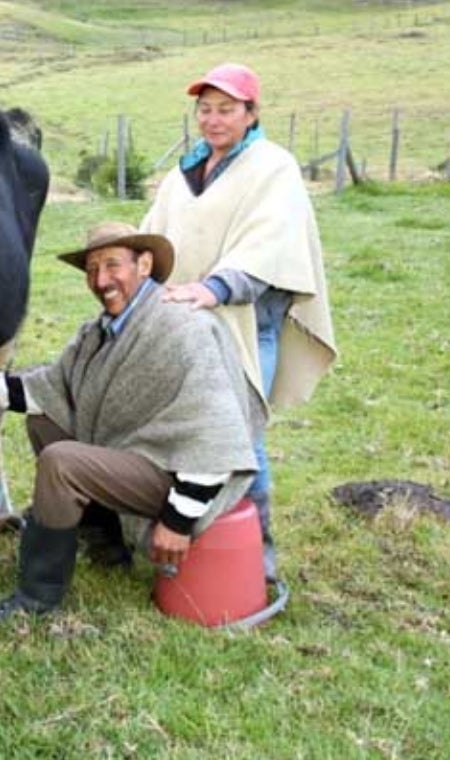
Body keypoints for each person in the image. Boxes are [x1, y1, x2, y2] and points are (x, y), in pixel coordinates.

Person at [0, 221, 262, 623]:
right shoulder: (99, 332)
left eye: (113, 265)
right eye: (92, 269)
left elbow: (215, 436)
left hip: (178, 473)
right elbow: (43, 392)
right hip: (138, 453)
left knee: (62, 463)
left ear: (145, 264)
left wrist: (177, 520)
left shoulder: (183, 327)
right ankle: (105, 539)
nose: (101, 280)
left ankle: (36, 596)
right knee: (45, 420)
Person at [140, 62, 338, 580]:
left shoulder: (273, 167)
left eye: (226, 109)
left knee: (237, 437)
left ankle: (257, 564)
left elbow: (269, 245)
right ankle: (174, 550)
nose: (213, 119)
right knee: (180, 429)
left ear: (252, 114)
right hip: (184, 325)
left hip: (247, 323)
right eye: (205, 109)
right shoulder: (187, 171)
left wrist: (214, 288)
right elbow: (154, 237)